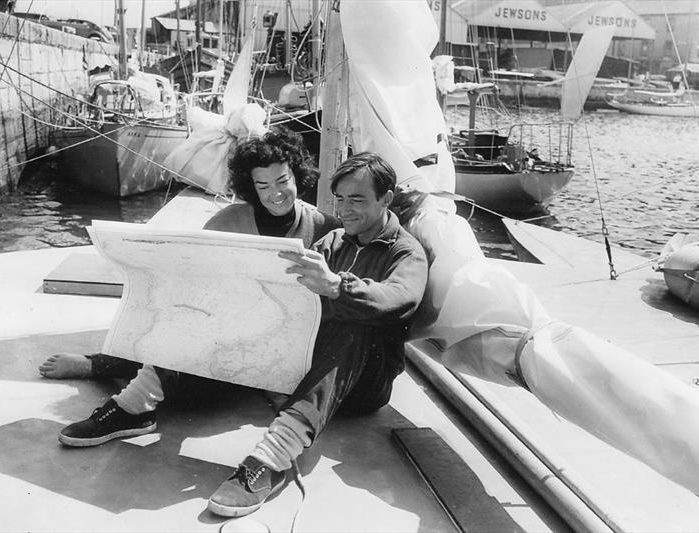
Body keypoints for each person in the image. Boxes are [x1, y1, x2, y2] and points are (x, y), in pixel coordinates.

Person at [57, 152, 428, 519]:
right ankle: (134, 405)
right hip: (302, 368)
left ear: (386, 199)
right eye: (341, 200)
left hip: (360, 385)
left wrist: (336, 287)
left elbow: (397, 300)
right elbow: (284, 300)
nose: (346, 210)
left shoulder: (406, 253)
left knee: (355, 322)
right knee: (224, 305)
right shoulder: (331, 242)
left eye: (358, 200)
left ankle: (274, 457)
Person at [38, 127, 339, 382]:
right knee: (179, 332)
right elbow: (195, 281)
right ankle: (97, 364)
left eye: (283, 181)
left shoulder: (326, 227)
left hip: (290, 333)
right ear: (251, 188)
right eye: (263, 185)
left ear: (297, 176)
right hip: (231, 322)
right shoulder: (227, 221)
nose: (275, 193)